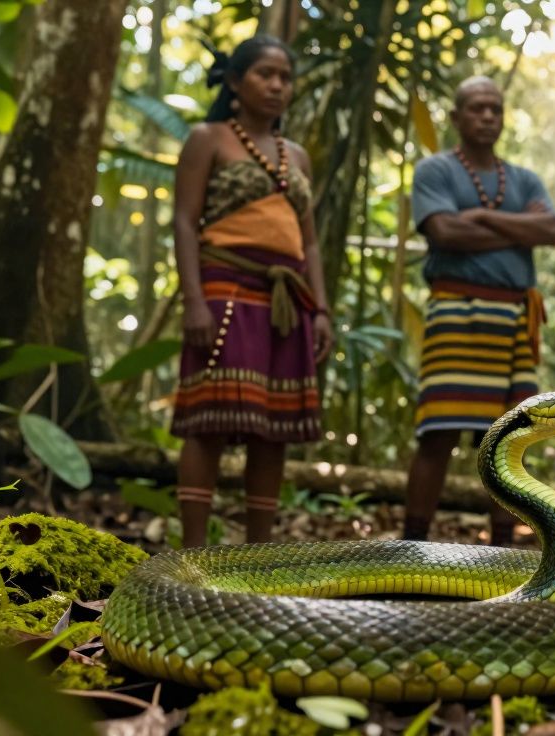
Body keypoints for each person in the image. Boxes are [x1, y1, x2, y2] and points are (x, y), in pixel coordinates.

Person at [170, 36, 334, 548]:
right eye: (265, 74)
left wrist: (322, 310)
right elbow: (183, 219)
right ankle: (193, 554)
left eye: (285, 77)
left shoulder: (298, 157)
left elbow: (308, 242)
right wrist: (193, 298)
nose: (277, 85)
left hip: (288, 305)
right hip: (225, 290)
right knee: (209, 418)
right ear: (236, 83)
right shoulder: (208, 138)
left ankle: (258, 554)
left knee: (275, 426)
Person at [403, 76, 555, 546]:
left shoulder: (525, 178)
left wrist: (479, 218)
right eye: (477, 108)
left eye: (495, 108)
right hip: (456, 313)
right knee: (438, 433)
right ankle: (411, 548)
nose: (488, 116)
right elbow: (443, 233)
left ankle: (504, 549)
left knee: (509, 440)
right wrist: (517, 230)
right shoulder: (435, 170)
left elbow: (549, 229)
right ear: (456, 117)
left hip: (514, 320)